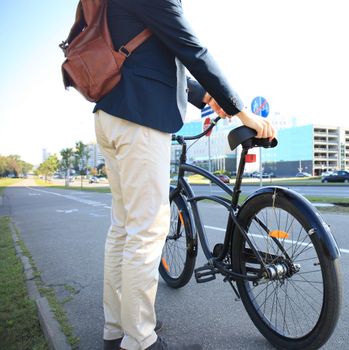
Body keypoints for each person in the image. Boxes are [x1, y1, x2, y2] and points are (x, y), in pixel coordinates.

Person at [94, 1, 276, 349]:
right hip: (140, 118)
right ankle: (140, 339)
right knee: (146, 230)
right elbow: (192, 48)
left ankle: (117, 328)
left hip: (111, 113)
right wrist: (242, 113)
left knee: (123, 228)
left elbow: (151, 53)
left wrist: (205, 94)